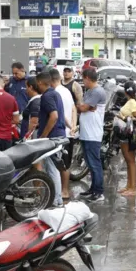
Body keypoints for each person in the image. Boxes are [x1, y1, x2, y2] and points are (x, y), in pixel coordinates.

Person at [76, 69, 107, 203]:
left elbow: (82, 108)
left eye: (83, 79)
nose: (83, 82)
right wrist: (84, 106)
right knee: (90, 163)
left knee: (94, 163)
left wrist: (82, 105)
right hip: (86, 132)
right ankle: (93, 189)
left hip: (93, 133)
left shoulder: (97, 92)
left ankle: (99, 192)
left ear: (88, 78)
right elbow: (84, 106)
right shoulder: (89, 91)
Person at [35, 72, 66, 206]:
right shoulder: (55, 93)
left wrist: (43, 136)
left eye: (37, 83)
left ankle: (55, 200)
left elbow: (54, 116)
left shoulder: (47, 96)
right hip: (58, 135)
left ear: (41, 82)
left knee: (51, 169)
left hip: (52, 137)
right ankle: (57, 199)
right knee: (53, 168)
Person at [50, 69, 77, 200]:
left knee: (59, 165)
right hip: (68, 133)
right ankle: (64, 190)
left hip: (60, 132)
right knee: (65, 164)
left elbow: (55, 115)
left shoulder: (54, 93)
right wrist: (73, 126)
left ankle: (63, 191)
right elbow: (73, 108)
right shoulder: (66, 90)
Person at [116, 80, 136, 197]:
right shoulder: (131, 102)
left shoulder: (133, 103)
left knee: (131, 161)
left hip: (129, 135)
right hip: (125, 134)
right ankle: (129, 185)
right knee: (128, 160)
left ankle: (133, 187)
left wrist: (123, 117)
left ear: (125, 91)